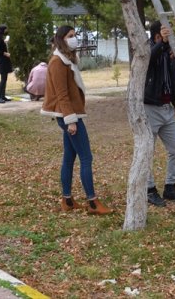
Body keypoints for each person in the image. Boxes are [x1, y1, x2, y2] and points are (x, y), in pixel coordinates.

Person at [40, 25, 113, 215]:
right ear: (61, 39)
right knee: (86, 157)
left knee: (69, 157)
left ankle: (68, 200)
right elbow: (62, 94)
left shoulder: (67, 60)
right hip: (68, 115)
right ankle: (92, 202)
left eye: (75, 35)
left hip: (69, 114)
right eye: (70, 36)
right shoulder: (58, 61)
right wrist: (70, 120)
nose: (74, 39)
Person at [144, 20, 175, 206]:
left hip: (167, 109)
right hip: (150, 109)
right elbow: (150, 59)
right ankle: (149, 189)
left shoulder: (170, 52)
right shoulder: (147, 50)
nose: (171, 39)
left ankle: (170, 187)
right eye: (165, 35)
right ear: (157, 36)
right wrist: (162, 43)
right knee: (147, 151)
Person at [0, 25, 12, 103]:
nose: (6, 31)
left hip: (5, 61)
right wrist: (5, 54)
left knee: (5, 79)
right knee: (3, 79)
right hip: (2, 61)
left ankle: (3, 96)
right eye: (5, 30)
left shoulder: (1, 39)